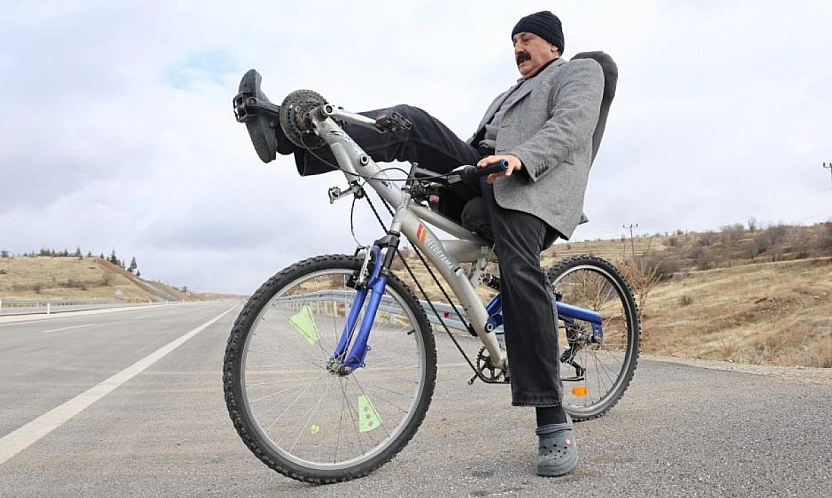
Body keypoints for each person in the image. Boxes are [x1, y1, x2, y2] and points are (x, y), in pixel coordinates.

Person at [242, 11, 607, 477]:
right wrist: (440, 185)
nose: (518, 49)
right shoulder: (506, 95)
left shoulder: (579, 71)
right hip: (483, 178)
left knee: (520, 272)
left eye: (527, 39)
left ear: (553, 45)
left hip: (531, 190)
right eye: (514, 42)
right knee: (408, 124)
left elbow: (571, 128)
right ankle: (289, 132)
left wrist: (519, 157)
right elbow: (474, 151)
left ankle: (552, 418)